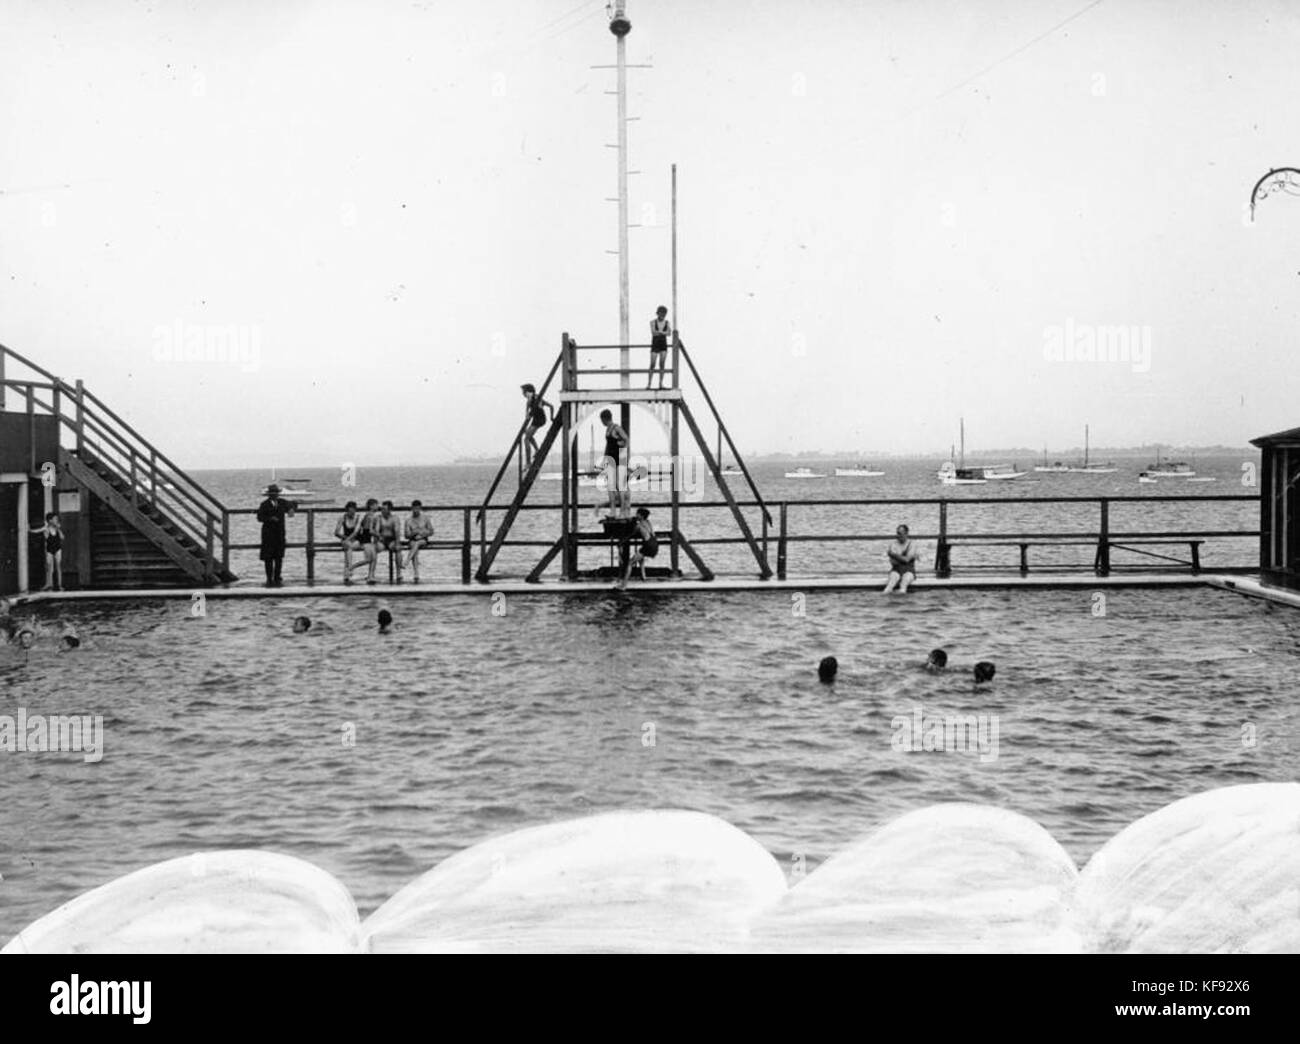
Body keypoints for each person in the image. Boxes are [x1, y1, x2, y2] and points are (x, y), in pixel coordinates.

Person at [256, 484, 297, 587]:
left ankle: (277, 577)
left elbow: (294, 503)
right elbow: (259, 517)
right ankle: (269, 578)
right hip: (268, 534)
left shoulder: (282, 502)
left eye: (276, 493)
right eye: (272, 493)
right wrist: (270, 518)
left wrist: (291, 509)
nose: (274, 495)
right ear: (269, 494)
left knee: (279, 557)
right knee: (268, 558)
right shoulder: (264, 504)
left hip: (279, 534)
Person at [598, 409, 629, 518]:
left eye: (602, 420)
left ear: (605, 418)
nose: (601, 422)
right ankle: (613, 512)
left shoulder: (616, 428)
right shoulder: (608, 429)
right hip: (610, 458)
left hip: (618, 457)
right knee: (610, 486)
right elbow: (608, 445)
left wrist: (623, 449)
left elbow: (626, 439)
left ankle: (622, 512)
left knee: (620, 486)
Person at [619, 508, 658, 587]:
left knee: (630, 563)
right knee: (640, 556)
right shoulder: (648, 522)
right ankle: (643, 577)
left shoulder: (638, 526)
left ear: (641, 516)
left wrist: (621, 542)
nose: (636, 515)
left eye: (637, 514)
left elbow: (630, 535)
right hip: (654, 543)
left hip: (648, 545)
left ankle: (623, 585)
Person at [335, 501, 372, 584]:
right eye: (350, 511)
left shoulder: (358, 518)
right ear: (347, 511)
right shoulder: (342, 518)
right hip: (346, 540)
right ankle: (349, 570)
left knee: (349, 547)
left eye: (353, 511)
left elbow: (356, 532)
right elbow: (336, 532)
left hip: (356, 540)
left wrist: (349, 539)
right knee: (348, 546)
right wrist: (345, 538)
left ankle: (348, 571)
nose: (352, 513)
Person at [520, 384, 554, 467]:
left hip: (539, 420)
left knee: (526, 439)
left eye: (523, 392)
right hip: (536, 420)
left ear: (527, 392)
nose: (522, 394)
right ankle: (537, 450)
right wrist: (551, 417)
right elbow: (527, 408)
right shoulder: (530, 399)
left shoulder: (536, 398)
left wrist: (551, 417)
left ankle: (528, 462)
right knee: (527, 434)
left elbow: (550, 406)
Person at [29, 512, 64, 592]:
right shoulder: (46, 529)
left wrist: (58, 529)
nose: (57, 520)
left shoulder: (57, 529)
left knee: (58, 567)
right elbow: (37, 531)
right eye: (55, 519)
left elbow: (62, 537)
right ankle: (49, 584)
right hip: (49, 550)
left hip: (58, 549)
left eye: (57, 519)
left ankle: (60, 585)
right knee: (49, 568)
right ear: (50, 520)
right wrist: (29, 530)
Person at [404, 500, 435, 583]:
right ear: (411, 508)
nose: (416, 510)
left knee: (417, 544)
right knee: (414, 547)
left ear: (420, 508)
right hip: (412, 539)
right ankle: (416, 573)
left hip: (422, 539)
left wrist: (422, 534)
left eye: (417, 508)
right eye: (414, 508)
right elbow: (406, 535)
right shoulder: (408, 520)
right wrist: (414, 533)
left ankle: (407, 561)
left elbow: (431, 531)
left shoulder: (425, 518)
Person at [882, 523, 919, 594]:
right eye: (898, 533)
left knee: (903, 585)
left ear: (906, 533)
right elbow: (893, 562)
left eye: (901, 533)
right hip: (896, 569)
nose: (899, 536)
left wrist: (893, 555)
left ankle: (902, 603)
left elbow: (907, 559)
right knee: (889, 587)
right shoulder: (893, 544)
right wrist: (900, 558)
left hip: (909, 570)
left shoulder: (912, 544)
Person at [373, 501, 403, 582]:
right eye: (382, 509)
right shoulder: (379, 518)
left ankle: (399, 573)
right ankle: (372, 574)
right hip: (382, 540)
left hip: (391, 540)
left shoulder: (395, 518)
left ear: (389, 510)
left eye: (384, 509)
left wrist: (397, 543)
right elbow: (376, 530)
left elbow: (397, 531)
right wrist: (378, 538)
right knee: (373, 550)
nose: (382, 511)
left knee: (398, 549)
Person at [357, 499, 381, 584]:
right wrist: (378, 536)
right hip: (367, 540)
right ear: (371, 506)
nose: (378, 506)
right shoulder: (372, 516)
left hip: (365, 539)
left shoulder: (367, 515)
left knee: (373, 559)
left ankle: (371, 576)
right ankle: (351, 568)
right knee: (369, 559)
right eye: (376, 505)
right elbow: (370, 530)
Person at [647, 306, 671, 390]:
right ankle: (649, 384)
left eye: (664, 314)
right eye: (661, 313)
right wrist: (663, 332)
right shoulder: (653, 322)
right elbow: (653, 332)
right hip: (655, 343)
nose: (662, 315)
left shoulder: (667, 323)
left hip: (663, 344)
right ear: (658, 313)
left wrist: (660, 332)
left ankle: (661, 383)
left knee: (662, 364)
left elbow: (669, 333)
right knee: (652, 364)